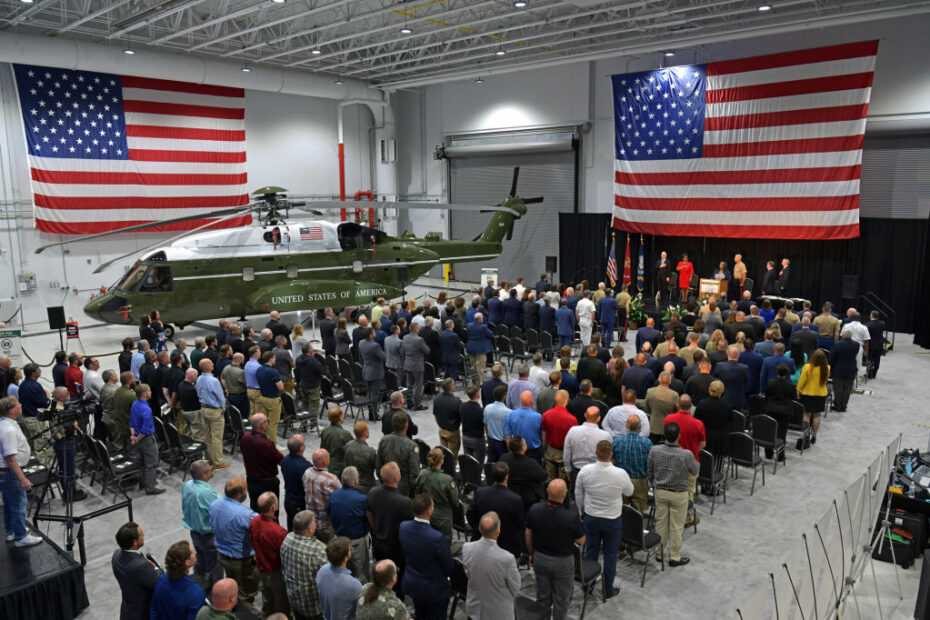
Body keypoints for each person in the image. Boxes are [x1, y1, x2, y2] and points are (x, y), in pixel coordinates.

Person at [525, 478, 584, 620]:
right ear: (564, 495)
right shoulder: (571, 517)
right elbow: (581, 540)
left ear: (547, 492)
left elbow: (528, 534)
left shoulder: (535, 509)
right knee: (562, 599)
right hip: (563, 563)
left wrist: (532, 554)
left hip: (540, 557)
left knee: (543, 596)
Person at [648, 422, 699, 567]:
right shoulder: (686, 454)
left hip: (660, 491)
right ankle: (674, 557)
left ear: (665, 435)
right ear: (679, 436)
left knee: (661, 523)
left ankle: (659, 553)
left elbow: (650, 472)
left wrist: (655, 484)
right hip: (679, 494)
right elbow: (695, 471)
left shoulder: (654, 450)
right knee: (677, 527)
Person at [399, 494, 453, 620]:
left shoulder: (403, 527)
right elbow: (448, 566)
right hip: (434, 590)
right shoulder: (437, 537)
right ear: (430, 511)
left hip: (413, 583)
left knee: (420, 613)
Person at [209, 478, 259, 612]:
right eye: (245, 490)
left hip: (222, 555)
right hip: (242, 561)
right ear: (239, 495)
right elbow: (261, 530)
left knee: (233, 584)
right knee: (246, 592)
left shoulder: (214, 505)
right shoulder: (245, 514)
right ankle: (242, 613)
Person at [0, 396, 43, 547]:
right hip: (9, 473)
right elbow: (10, 458)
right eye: (18, 404)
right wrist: (22, 479)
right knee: (18, 504)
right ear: (12, 410)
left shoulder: (6, 423)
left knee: (9, 503)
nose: (20, 405)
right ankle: (21, 537)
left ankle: (12, 530)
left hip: (6, 473)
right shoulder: (9, 430)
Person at [462, 511, 521, 620]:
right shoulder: (507, 558)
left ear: (479, 529)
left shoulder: (466, 548)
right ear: (498, 532)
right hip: (499, 613)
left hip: (475, 610)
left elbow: (468, 573)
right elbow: (515, 588)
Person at [466, 461, 525, 557]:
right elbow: (520, 524)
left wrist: (480, 528)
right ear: (507, 477)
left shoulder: (480, 492)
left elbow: (470, 514)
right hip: (505, 544)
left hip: (482, 538)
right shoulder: (515, 499)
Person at [250, 491, 292, 617]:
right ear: (273, 507)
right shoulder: (278, 532)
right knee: (282, 602)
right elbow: (286, 554)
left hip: (261, 568)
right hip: (275, 572)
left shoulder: (254, 521)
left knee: (267, 598)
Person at [280, 510, 328, 620]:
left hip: (294, 599)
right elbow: (329, 578)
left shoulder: (288, 538)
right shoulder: (318, 551)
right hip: (313, 606)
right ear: (310, 529)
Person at [327, 467, 371, 583]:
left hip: (340, 539)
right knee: (361, 572)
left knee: (344, 570)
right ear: (356, 482)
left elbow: (329, 513)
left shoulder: (334, 495)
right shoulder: (361, 499)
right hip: (357, 542)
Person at [182, 460, 223, 587]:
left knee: (200, 560)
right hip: (208, 535)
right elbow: (221, 508)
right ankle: (216, 590)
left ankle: (199, 584)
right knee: (215, 565)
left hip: (194, 532)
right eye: (209, 469)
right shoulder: (207, 494)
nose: (211, 470)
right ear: (204, 475)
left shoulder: (188, 485)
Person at [112, 522, 163, 619]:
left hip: (127, 611)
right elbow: (159, 583)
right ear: (135, 542)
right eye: (141, 534)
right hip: (142, 614)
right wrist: (156, 567)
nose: (143, 535)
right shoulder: (142, 567)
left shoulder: (116, 555)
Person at [664, 395, 706, 510]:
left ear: (678, 405)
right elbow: (702, 444)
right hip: (691, 463)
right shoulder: (698, 424)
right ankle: (687, 516)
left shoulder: (668, 419)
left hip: (670, 460)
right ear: (691, 406)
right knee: (689, 491)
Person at [150, 541, 206, 620]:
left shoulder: (160, 581)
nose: (196, 552)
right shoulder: (196, 594)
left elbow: (154, 611)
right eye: (193, 553)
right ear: (187, 563)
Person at [240, 413, 283, 515]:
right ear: (262, 425)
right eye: (266, 421)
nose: (267, 423)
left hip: (251, 480)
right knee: (271, 512)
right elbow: (280, 459)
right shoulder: (265, 444)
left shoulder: (245, 437)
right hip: (267, 483)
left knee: (255, 510)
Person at [129, 383, 165, 495]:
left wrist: (133, 436)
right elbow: (146, 429)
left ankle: (143, 483)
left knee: (141, 463)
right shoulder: (146, 409)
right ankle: (150, 488)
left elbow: (131, 421)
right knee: (151, 463)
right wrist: (138, 439)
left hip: (136, 437)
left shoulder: (135, 404)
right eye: (149, 391)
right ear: (144, 393)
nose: (151, 392)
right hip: (146, 440)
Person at [316, 537, 363, 620]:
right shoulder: (353, 585)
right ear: (345, 557)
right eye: (349, 549)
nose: (351, 550)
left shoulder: (322, 570)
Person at [196, 359, 230, 469]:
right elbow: (220, 397)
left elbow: (197, 392)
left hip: (203, 409)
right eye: (211, 363)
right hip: (214, 410)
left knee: (208, 436)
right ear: (207, 367)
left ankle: (210, 458)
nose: (213, 364)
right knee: (217, 437)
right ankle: (218, 462)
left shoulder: (199, 379)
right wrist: (223, 407)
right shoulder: (214, 380)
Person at [376, 411, 420, 496]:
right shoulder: (411, 445)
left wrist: (383, 480)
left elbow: (378, 465)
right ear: (406, 425)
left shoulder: (384, 440)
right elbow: (414, 472)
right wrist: (415, 490)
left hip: (386, 484)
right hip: (404, 489)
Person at [563, 405, 611, 482]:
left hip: (577, 472)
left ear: (585, 415)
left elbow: (567, 452)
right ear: (599, 418)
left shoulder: (572, 431)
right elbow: (609, 456)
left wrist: (567, 469)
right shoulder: (606, 436)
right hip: (597, 474)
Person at [501, 436, 547, 513]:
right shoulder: (530, 463)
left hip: (508, 492)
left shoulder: (504, 458)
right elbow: (543, 476)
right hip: (528, 499)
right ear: (523, 448)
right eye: (525, 443)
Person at [303, 448, 340, 542]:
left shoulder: (307, 472)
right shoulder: (330, 479)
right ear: (324, 462)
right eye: (328, 457)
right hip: (325, 523)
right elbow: (341, 496)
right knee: (328, 549)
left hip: (310, 522)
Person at [693, 381, 732, 467]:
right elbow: (730, 420)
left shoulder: (702, 403)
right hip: (721, 439)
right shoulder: (727, 406)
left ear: (710, 390)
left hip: (705, 436)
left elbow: (696, 420)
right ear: (722, 392)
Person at [541, 390, 576, 482]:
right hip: (564, 453)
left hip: (550, 452)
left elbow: (544, 437)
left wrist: (544, 451)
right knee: (563, 482)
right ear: (566, 400)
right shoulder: (572, 419)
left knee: (550, 480)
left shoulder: (546, 415)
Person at [797, 349, 830, 445]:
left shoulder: (807, 367)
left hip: (808, 394)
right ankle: (814, 436)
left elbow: (802, 381)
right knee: (817, 415)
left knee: (806, 415)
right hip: (820, 395)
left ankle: (806, 435)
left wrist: (798, 390)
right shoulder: (827, 368)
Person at [281, 435, 312, 530]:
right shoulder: (305, 466)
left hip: (288, 499)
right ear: (301, 448)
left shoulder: (285, 460)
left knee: (291, 527)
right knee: (301, 530)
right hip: (299, 502)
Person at [504, 390, 543, 462]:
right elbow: (542, 435)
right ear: (531, 401)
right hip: (534, 453)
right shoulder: (538, 417)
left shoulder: (511, 415)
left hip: (517, 451)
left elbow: (508, 436)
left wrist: (510, 450)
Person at [255, 351, 285, 440]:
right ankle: (272, 446)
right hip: (273, 400)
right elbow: (281, 387)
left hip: (262, 397)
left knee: (262, 423)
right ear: (270, 359)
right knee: (273, 424)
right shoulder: (273, 371)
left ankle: (262, 441)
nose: (275, 359)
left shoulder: (259, 369)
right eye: (274, 358)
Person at [359, 327, 386, 422]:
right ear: (370, 335)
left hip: (366, 371)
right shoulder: (375, 346)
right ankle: (374, 414)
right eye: (374, 332)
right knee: (374, 394)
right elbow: (383, 357)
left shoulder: (361, 342)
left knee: (370, 393)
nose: (375, 333)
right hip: (375, 373)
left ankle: (371, 413)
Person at [830, 328, 860, 412]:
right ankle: (844, 406)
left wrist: (830, 369)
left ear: (842, 335)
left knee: (838, 388)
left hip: (838, 369)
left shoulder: (837, 344)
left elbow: (832, 358)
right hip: (851, 369)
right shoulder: (856, 345)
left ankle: (837, 406)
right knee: (847, 388)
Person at [644, 372, 679, 443]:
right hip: (668, 428)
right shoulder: (674, 395)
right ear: (670, 381)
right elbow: (677, 411)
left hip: (653, 426)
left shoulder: (650, 391)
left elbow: (646, 407)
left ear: (659, 379)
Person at [344, 422, 378, 494]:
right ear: (365, 433)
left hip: (351, 484)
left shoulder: (348, 445)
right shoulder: (370, 451)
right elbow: (378, 468)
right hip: (366, 487)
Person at [713, 346, 750, 410]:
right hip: (738, 399)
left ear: (727, 355)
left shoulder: (719, 366)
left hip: (723, 398)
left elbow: (715, 379)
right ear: (738, 356)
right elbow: (745, 381)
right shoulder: (744, 368)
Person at [320, 406, 353, 478]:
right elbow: (353, 450)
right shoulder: (345, 434)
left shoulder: (324, 431)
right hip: (339, 469)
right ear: (340, 417)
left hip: (326, 465)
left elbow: (322, 448)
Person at [484, 384, 511, 463]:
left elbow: (485, 425)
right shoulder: (509, 413)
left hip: (491, 441)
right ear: (504, 396)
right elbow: (509, 433)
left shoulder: (487, 408)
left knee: (491, 465)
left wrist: (488, 437)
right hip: (502, 444)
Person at [460, 385, 486, 464]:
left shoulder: (462, 406)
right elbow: (485, 425)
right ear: (478, 394)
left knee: (468, 462)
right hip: (477, 440)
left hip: (465, 438)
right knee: (477, 464)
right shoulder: (481, 411)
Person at [466, 313, 494, 387]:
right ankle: (480, 382)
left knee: (472, 365)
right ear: (480, 319)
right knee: (480, 366)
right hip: (480, 348)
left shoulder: (469, 325)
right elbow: (491, 334)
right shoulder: (483, 327)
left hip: (471, 347)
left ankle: (474, 382)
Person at [865, 311, 885, 378]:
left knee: (870, 359)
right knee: (877, 360)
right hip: (879, 344)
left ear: (872, 316)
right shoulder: (882, 323)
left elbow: (867, 336)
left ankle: (869, 374)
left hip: (871, 345)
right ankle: (874, 374)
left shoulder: (868, 324)